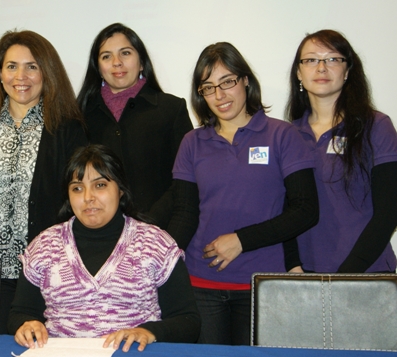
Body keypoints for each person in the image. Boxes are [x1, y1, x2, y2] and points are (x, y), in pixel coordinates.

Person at [168, 42, 319, 345]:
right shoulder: (192, 142)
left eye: (227, 82)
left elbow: (306, 210)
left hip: (262, 286)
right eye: (208, 87)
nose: (220, 95)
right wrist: (155, 259)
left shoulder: (282, 135)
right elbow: (185, 214)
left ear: (245, 80)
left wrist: (241, 240)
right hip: (201, 286)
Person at [8, 145, 200, 352]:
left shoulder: (156, 244)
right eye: (77, 188)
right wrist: (27, 324)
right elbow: (20, 313)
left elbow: (188, 321)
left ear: (121, 189)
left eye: (100, 185)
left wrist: (149, 331)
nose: (88, 197)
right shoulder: (45, 245)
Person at [0, 30, 87, 334]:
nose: (22, 76)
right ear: (0, 73)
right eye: (12, 66)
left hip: (47, 270)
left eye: (32, 66)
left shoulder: (68, 127)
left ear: (47, 71)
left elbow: (77, 199)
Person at [286, 30, 397, 273]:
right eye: (311, 59)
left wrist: (347, 275)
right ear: (298, 72)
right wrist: (293, 265)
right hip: (303, 278)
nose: (322, 67)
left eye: (333, 59)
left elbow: (389, 211)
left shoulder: (376, 126)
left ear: (347, 71)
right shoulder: (287, 135)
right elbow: (282, 210)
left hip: (366, 275)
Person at [77, 23, 192, 227]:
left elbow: (185, 184)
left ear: (141, 63)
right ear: (98, 68)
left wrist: (152, 223)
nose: (117, 62)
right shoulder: (80, 117)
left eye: (125, 53)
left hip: (161, 230)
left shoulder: (171, 109)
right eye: (106, 56)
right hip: (100, 235)